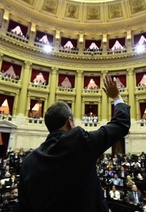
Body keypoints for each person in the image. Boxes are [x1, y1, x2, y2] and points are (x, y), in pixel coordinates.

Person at [17, 74, 130, 212]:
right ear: (70, 122)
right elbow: (120, 125)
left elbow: (23, 206)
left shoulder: (29, 162)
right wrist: (116, 97)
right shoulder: (79, 141)